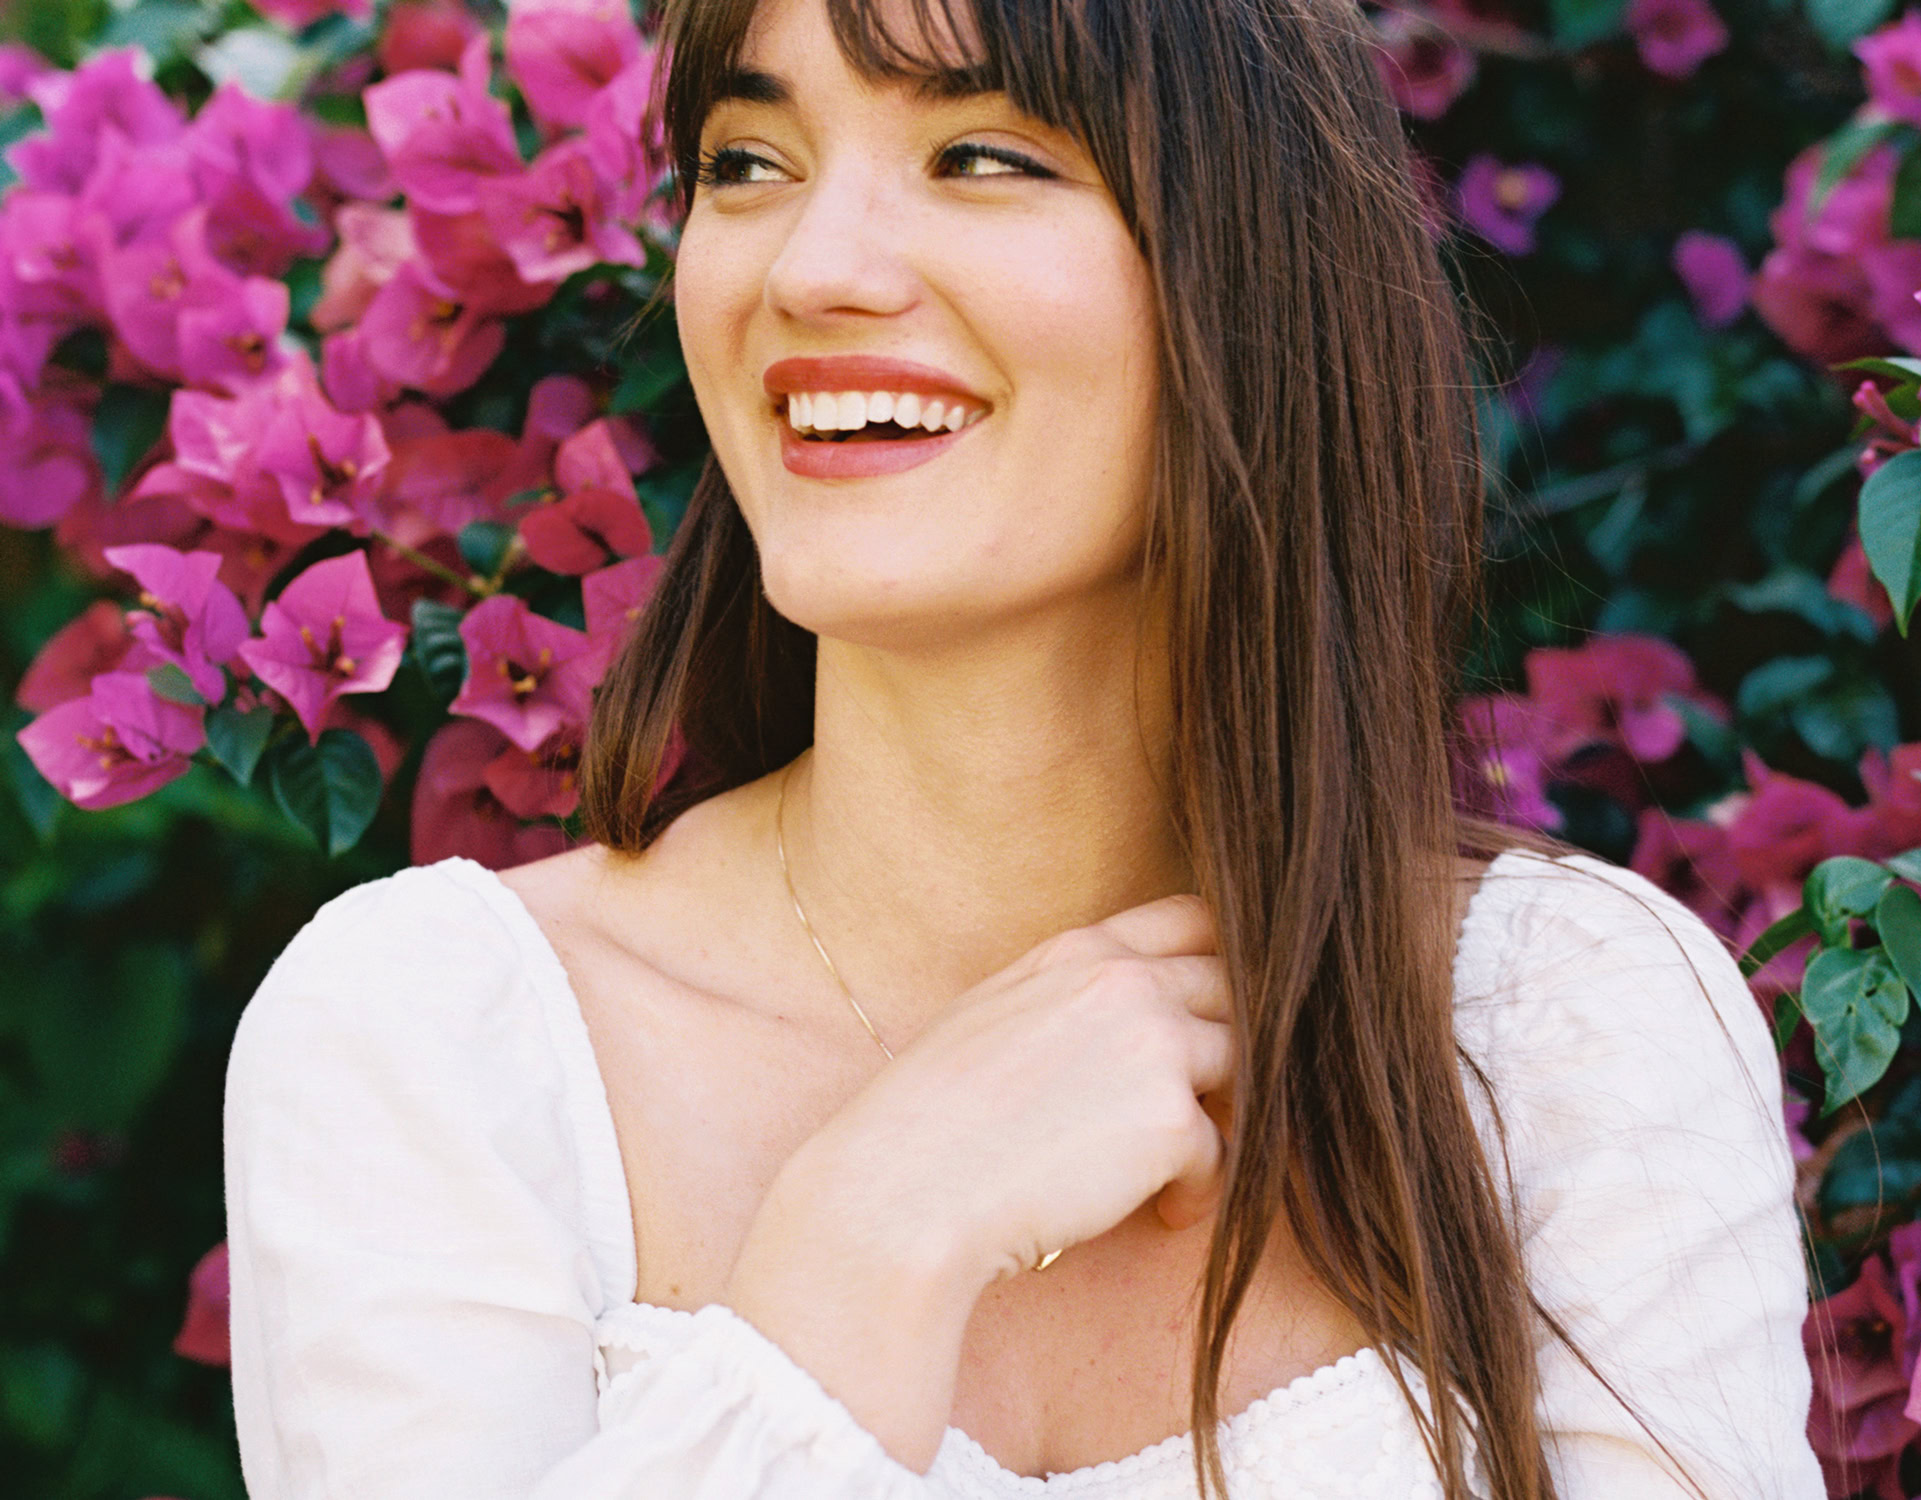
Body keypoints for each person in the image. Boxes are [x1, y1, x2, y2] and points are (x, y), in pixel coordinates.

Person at [221, 0, 1826, 1495]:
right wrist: (873, 1246)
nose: (813, 269)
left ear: (1256, 271)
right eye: (747, 162)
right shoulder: (437, 1046)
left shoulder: (1565, 1028)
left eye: (982, 154)